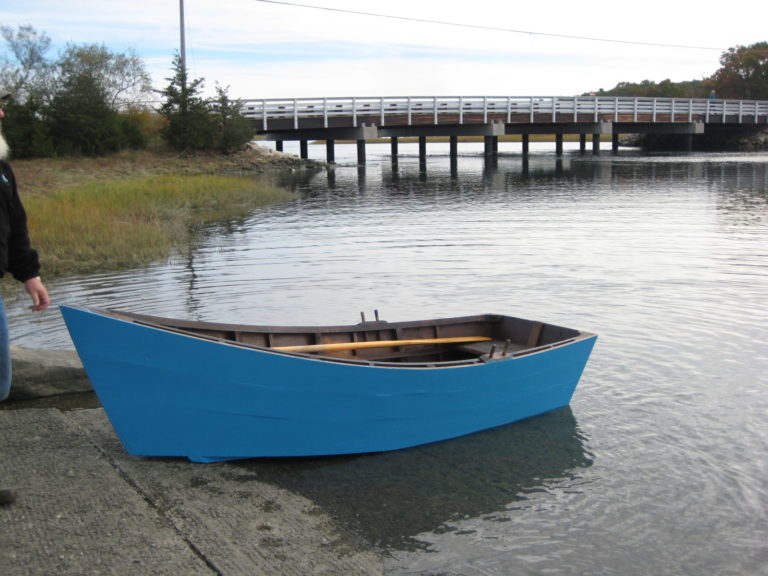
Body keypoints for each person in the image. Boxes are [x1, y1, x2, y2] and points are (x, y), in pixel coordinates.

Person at [0, 89, 51, 506]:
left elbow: (16, 224)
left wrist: (28, 274)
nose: (1, 111)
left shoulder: (2, 168)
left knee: (0, 383)